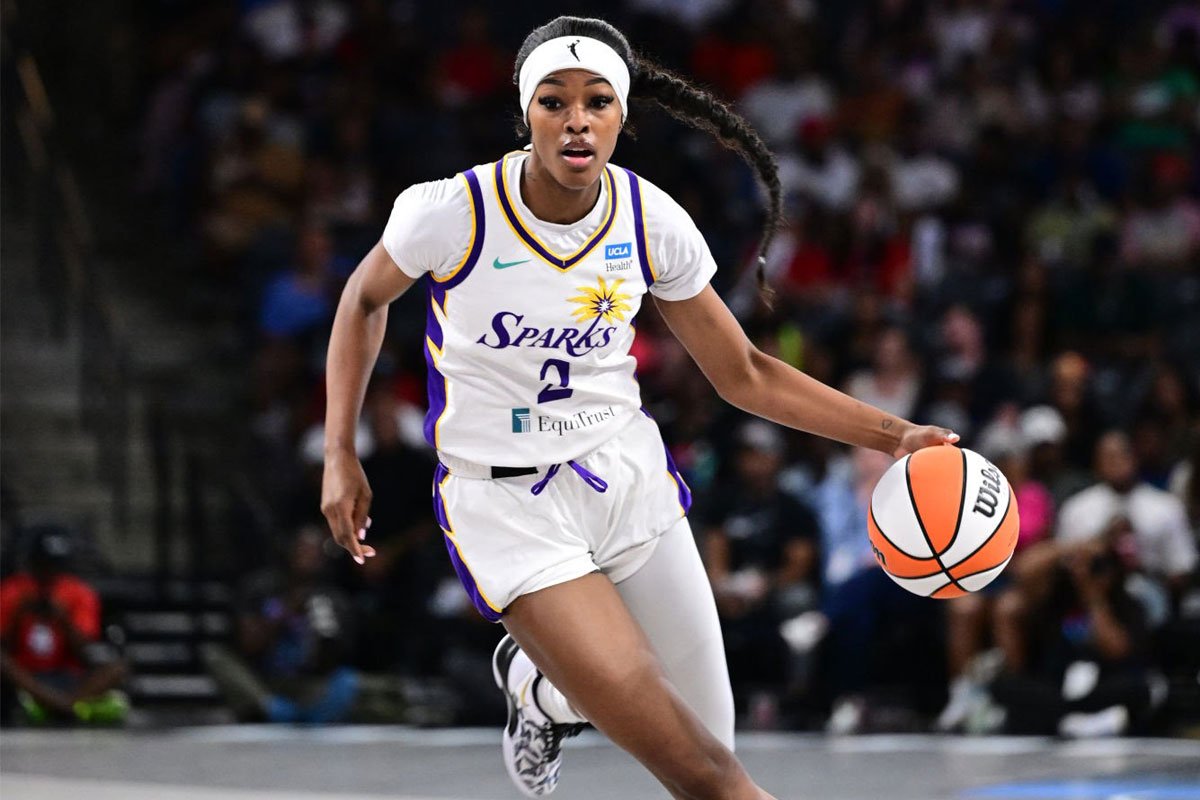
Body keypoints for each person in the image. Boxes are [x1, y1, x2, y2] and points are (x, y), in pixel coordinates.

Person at [320, 16, 956, 799]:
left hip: (625, 478)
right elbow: (363, 299)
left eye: (597, 101)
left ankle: (545, 692)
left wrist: (896, 435)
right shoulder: (455, 212)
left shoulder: (648, 218)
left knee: (708, 747)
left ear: (622, 116)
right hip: (509, 504)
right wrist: (339, 450)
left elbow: (745, 373)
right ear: (525, 113)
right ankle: (558, 681)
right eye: (554, 101)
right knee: (710, 777)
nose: (576, 120)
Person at [0, 526, 128, 725]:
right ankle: (68, 706)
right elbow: (4, 644)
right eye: (43, 566)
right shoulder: (12, 590)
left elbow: (84, 649)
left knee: (117, 667)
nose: (48, 574)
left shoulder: (79, 593)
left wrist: (63, 619)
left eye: (54, 567)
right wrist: (19, 614)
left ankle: (59, 705)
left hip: (67, 675)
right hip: (27, 675)